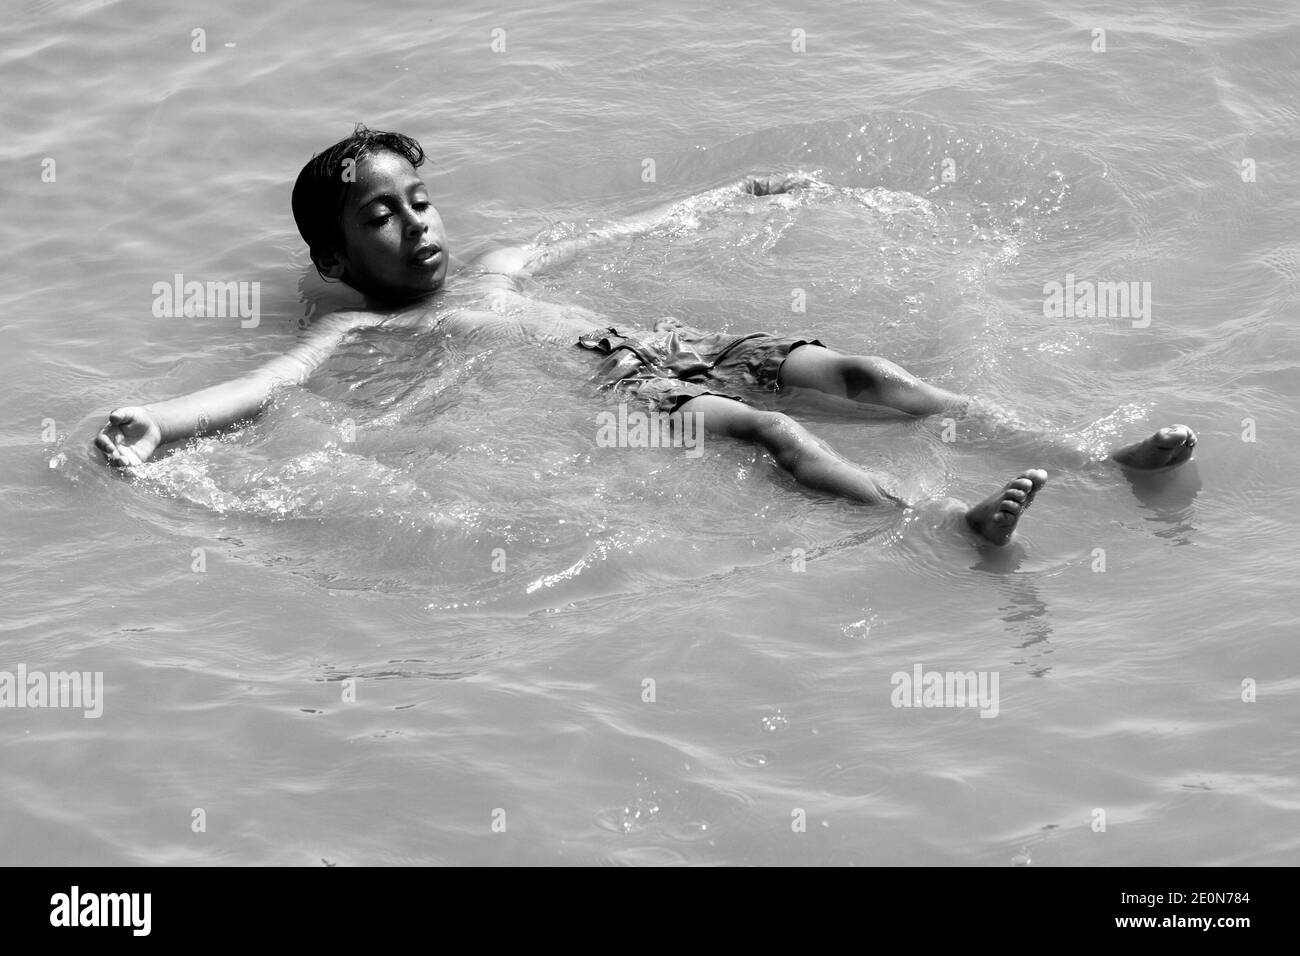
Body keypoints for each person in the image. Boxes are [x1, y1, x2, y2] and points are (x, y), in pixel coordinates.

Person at [94, 126, 1197, 547]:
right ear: (338, 263)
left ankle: (1093, 456)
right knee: (769, 431)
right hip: (631, 403)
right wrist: (154, 420)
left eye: (418, 198)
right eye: (378, 216)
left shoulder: (495, 269)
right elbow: (265, 383)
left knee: (875, 371)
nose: (412, 221)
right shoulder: (362, 335)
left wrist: (734, 191)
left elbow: (607, 231)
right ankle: (944, 521)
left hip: (670, 341)